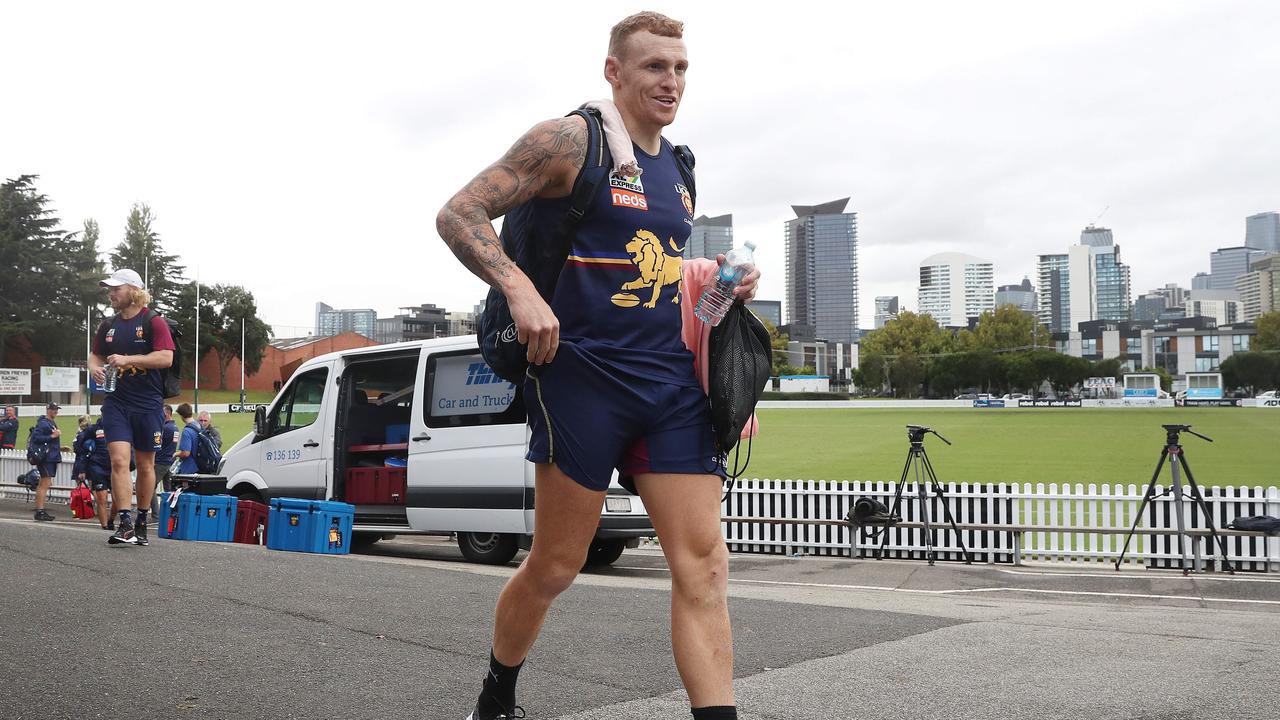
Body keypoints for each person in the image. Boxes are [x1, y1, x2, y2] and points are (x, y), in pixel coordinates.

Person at [436, 13, 757, 720]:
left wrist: (720, 287)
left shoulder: (680, 169)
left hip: (670, 384)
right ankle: (496, 697)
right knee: (556, 565)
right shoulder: (568, 141)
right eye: (653, 67)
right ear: (614, 71)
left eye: (679, 68)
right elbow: (460, 213)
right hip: (580, 378)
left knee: (703, 567)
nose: (669, 81)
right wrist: (518, 289)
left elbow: (660, 280)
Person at [89, 268, 175, 547]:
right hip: (116, 402)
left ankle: (141, 519)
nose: (111, 293)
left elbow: (165, 358)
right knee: (118, 460)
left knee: (146, 464)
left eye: (116, 288)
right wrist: (94, 369)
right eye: (109, 289)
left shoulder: (154, 321)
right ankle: (124, 522)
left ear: (134, 291)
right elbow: (95, 355)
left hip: (148, 402)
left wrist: (128, 360)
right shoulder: (107, 325)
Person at [74, 416, 115, 529]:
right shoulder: (94, 429)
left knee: (117, 500)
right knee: (102, 499)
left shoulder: (118, 427)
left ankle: (111, 519)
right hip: (98, 469)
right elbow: (80, 448)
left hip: (114, 469)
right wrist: (82, 469)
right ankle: (105, 526)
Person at [29, 402, 63, 521]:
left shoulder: (50, 422)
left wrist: (58, 446)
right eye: (53, 409)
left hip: (50, 457)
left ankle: (41, 510)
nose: (56, 411)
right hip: (46, 458)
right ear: (48, 410)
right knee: (44, 484)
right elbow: (36, 438)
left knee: (45, 484)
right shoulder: (43, 423)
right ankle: (40, 511)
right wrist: (52, 437)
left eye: (56, 409)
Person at [153, 404, 179, 516]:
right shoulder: (175, 428)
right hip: (170, 461)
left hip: (161, 462)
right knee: (169, 490)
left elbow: (156, 444)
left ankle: (156, 514)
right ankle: (169, 513)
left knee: (149, 487)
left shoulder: (164, 428)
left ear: (166, 414)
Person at [175, 403, 200, 474]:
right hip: (199, 465)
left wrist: (175, 454)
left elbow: (186, 453)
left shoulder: (187, 431)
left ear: (181, 415)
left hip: (189, 468)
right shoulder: (198, 425)